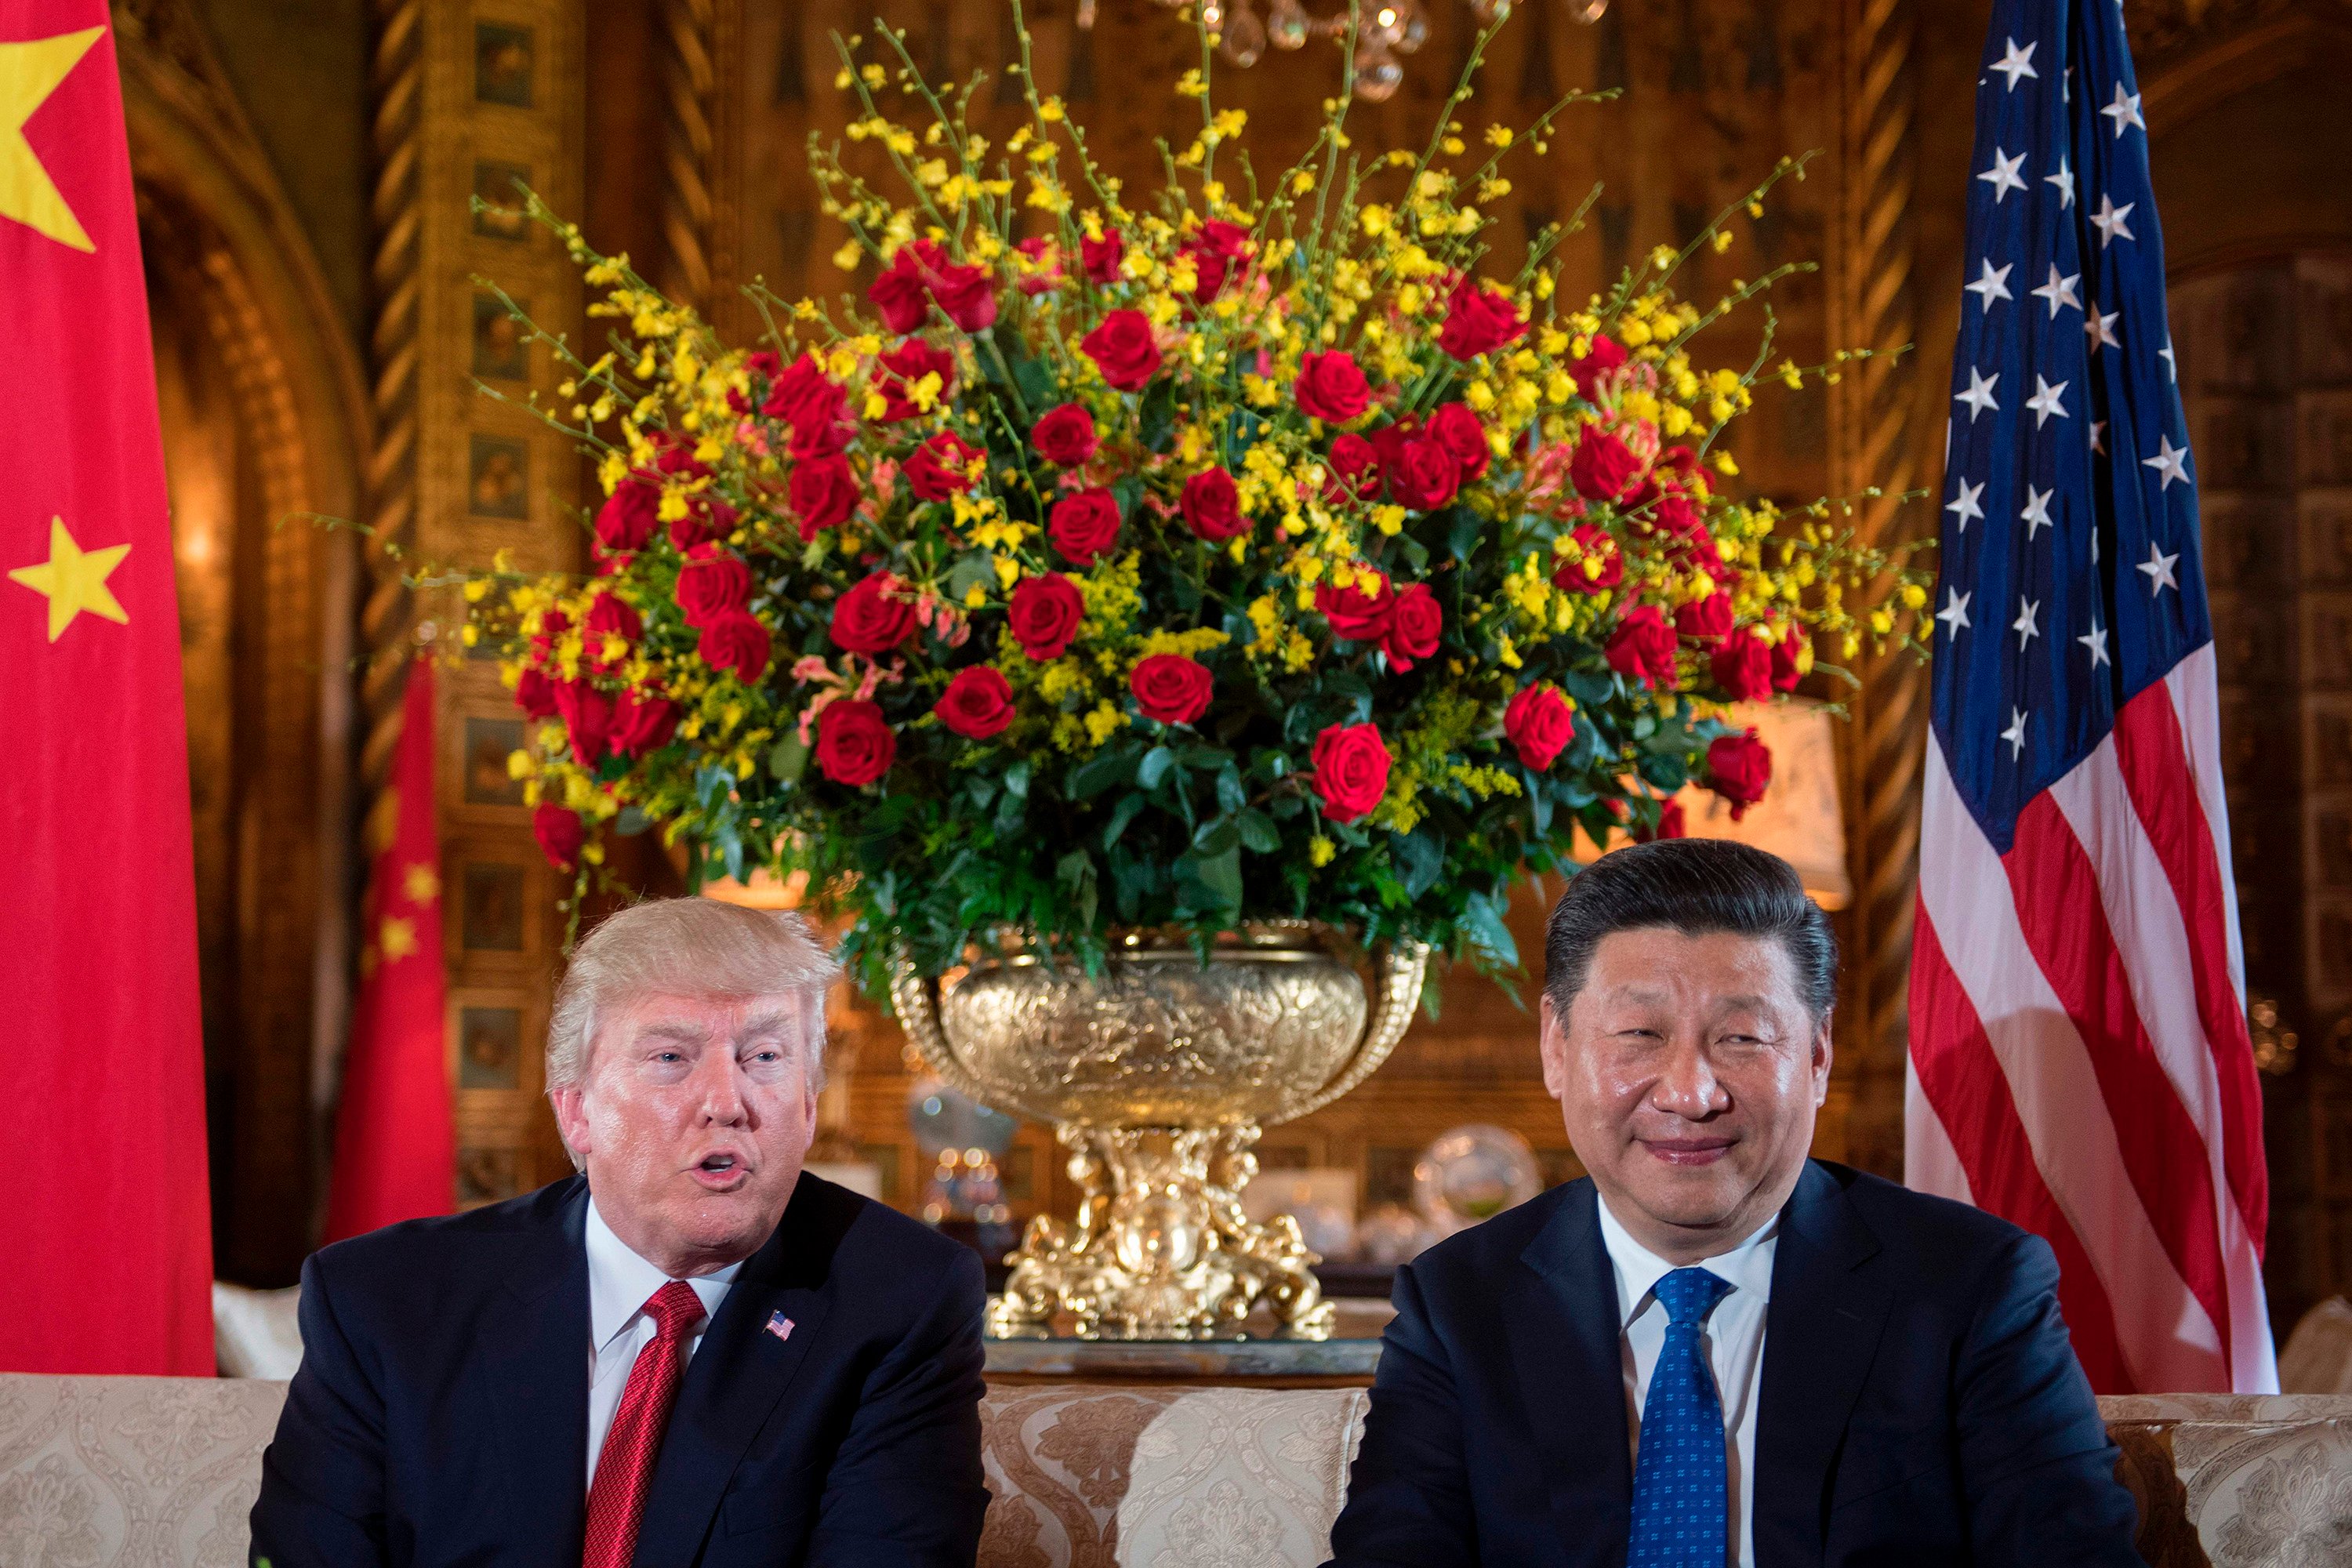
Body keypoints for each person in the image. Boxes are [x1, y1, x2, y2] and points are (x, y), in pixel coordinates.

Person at [1325, 838, 2140, 1566]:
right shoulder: (1460, 1300)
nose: (1690, 1093)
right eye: (1639, 1035)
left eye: (1743, 1037)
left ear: (1817, 1054)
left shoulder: (1971, 1288)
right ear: (1557, 1046)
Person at [251, 899, 989, 1567]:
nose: (727, 1103)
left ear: (808, 1101)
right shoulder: (385, 1304)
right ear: (576, 1111)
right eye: (671, 1058)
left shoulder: (901, 1300)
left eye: (764, 1057)